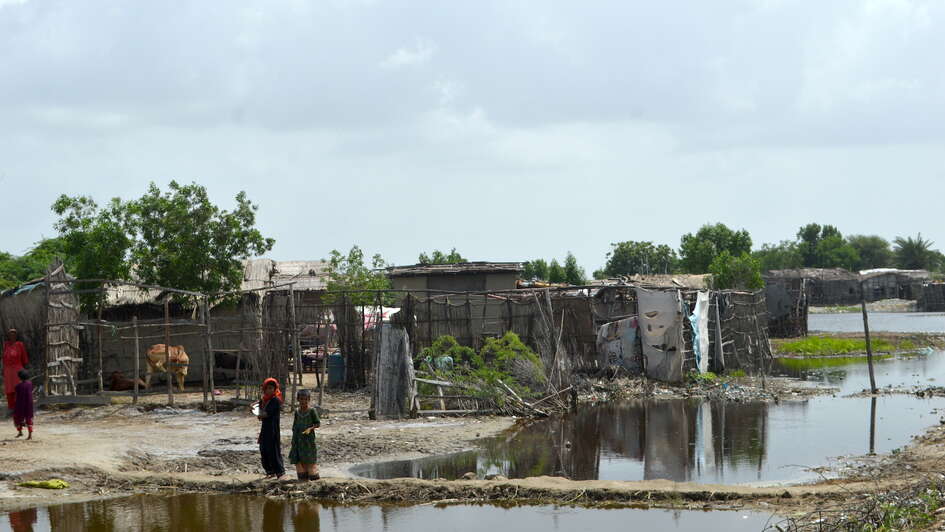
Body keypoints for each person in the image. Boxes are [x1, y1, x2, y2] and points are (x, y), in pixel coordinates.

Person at [288, 389, 321, 481]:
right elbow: (294, 426)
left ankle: (314, 477)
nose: (303, 401)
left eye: (305, 399)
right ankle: (303, 479)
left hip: (308, 440)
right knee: (299, 459)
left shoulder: (312, 411)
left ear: (308, 399)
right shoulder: (297, 412)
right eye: (301, 399)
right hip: (298, 439)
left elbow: (317, 423)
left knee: (309, 459)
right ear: (298, 400)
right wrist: (294, 439)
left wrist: (310, 429)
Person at [256, 377, 285, 479]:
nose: (269, 390)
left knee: (273, 450)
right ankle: (269, 471)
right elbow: (259, 411)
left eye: (271, 388)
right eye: (267, 388)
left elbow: (266, 414)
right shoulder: (264, 400)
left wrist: (259, 414)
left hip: (272, 429)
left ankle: (279, 472)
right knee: (263, 449)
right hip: (265, 429)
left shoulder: (275, 400)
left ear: (275, 389)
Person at [3, 329, 28, 413]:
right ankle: (11, 407)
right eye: (10, 335)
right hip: (8, 370)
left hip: (18, 369)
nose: (12, 336)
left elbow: (24, 358)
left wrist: (24, 370)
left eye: (14, 335)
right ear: (8, 336)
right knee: (9, 389)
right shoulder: (6, 345)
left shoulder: (20, 344)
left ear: (16, 336)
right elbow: (4, 358)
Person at [13, 370, 33, 439]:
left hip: (20, 404)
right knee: (28, 418)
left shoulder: (18, 386)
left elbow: (16, 393)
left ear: (20, 377)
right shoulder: (30, 384)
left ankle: (20, 432)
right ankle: (30, 434)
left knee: (17, 418)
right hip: (29, 404)